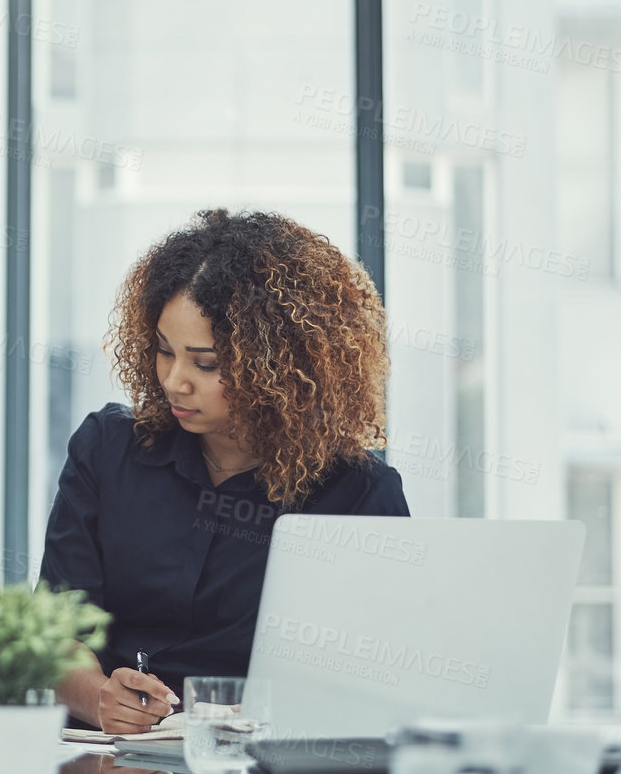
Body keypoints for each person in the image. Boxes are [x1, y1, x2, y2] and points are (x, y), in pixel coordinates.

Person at [44, 209, 409, 734]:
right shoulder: (107, 449)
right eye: (165, 352)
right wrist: (99, 696)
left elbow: (370, 675)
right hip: (112, 763)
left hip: (263, 768)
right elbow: (58, 633)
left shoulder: (357, 494)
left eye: (207, 363)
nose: (174, 381)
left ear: (283, 366)